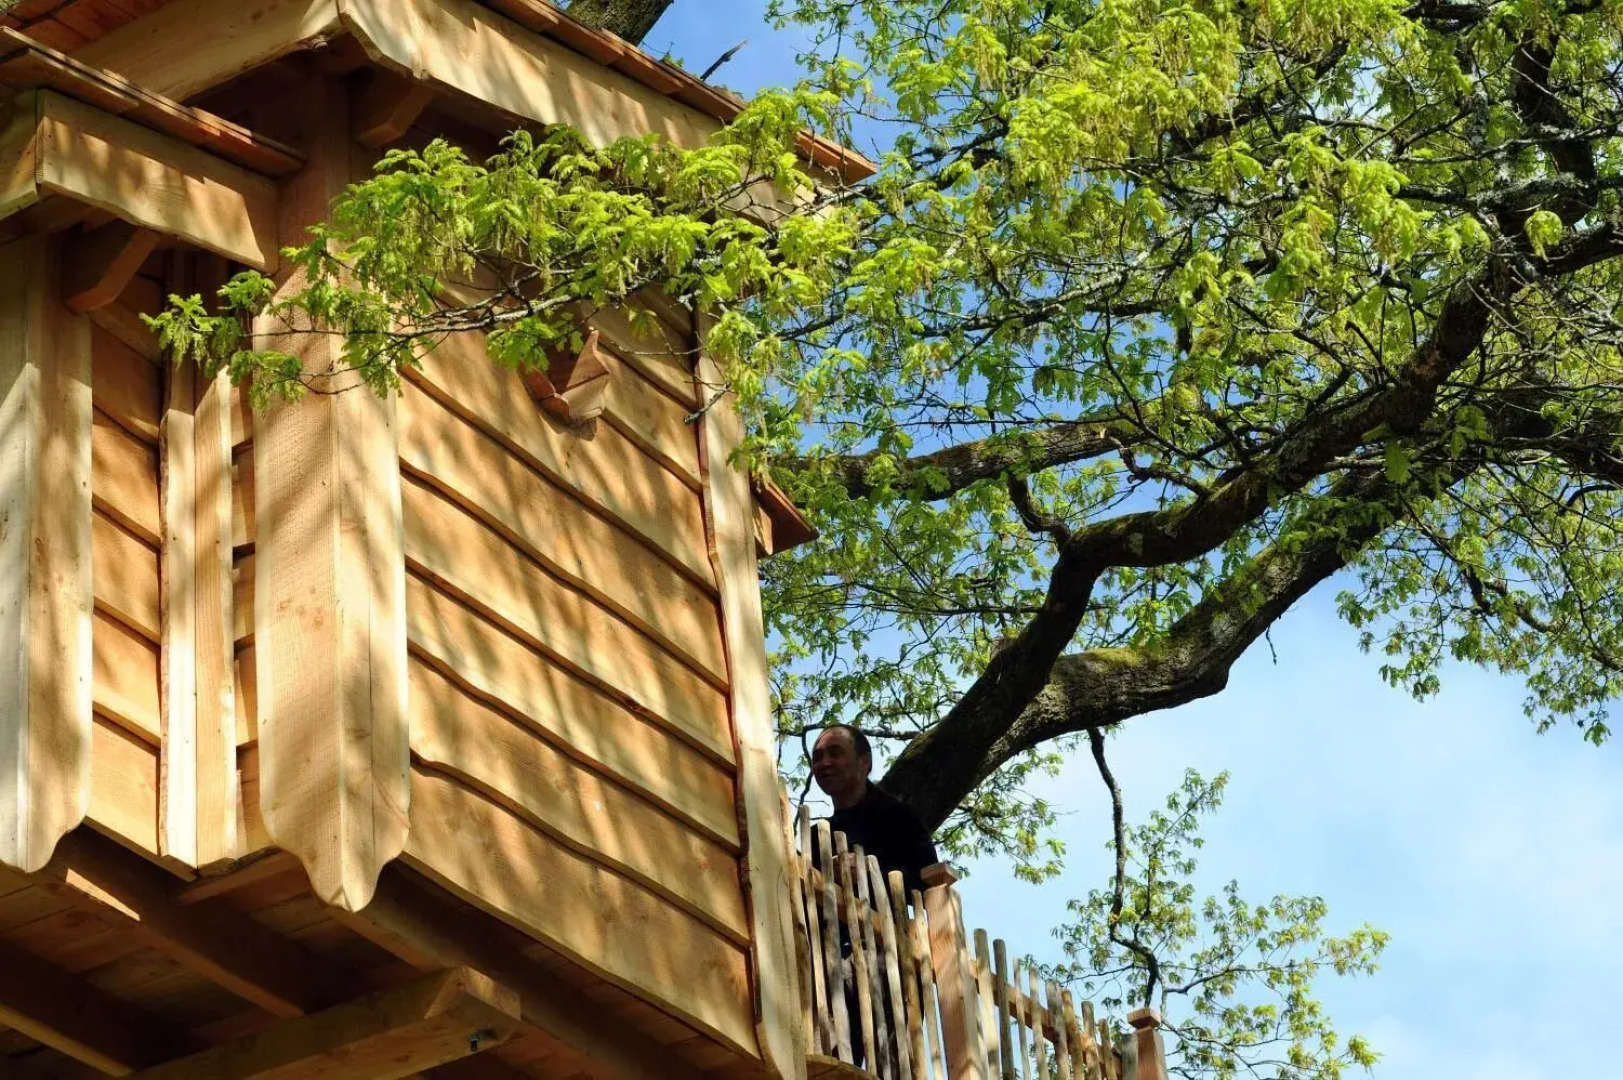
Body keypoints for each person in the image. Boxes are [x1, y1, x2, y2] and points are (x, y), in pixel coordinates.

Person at [811, 724, 939, 896]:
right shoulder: (816, 836)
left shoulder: (899, 817)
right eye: (817, 757)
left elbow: (930, 883)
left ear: (864, 761)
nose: (825, 763)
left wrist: (870, 872)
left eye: (835, 753)